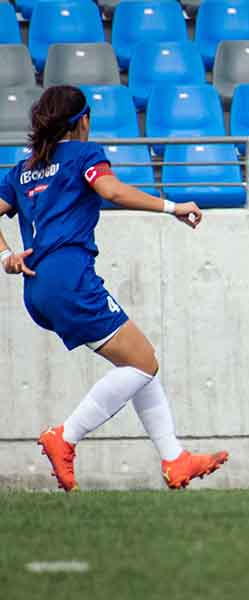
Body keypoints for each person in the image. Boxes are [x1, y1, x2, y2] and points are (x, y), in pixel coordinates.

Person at [0, 85, 228, 492]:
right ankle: (65, 437)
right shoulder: (85, 154)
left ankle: (174, 458)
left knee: (140, 361)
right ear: (82, 121)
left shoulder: (21, 170)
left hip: (37, 290)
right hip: (71, 280)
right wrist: (174, 208)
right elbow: (112, 191)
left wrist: (5, 257)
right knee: (143, 364)